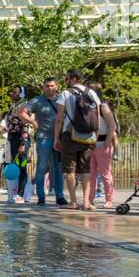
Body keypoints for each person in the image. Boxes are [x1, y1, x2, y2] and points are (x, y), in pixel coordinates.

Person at [54, 69, 102, 210]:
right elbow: (97, 117)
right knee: (86, 169)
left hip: (70, 135)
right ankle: (87, 202)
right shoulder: (92, 92)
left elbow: (59, 118)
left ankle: (73, 201)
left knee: (70, 170)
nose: (66, 81)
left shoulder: (65, 93)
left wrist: (57, 137)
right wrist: (95, 136)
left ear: (73, 79)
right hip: (88, 135)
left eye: (67, 78)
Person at [26, 78, 66, 206]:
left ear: (57, 86)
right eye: (47, 86)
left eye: (52, 85)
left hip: (59, 136)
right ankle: (41, 196)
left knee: (58, 167)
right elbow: (21, 112)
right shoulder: (37, 100)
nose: (49, 88)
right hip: (44, 137)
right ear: (43, 88)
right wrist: (32, 122)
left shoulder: (62, 98)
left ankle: (60, 196)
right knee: (42, 167)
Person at [84, 82, 118, 210]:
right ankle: (90, 198)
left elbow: (112, 126)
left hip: (103, 143)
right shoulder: (86, 107)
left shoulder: (103, 107)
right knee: (90, 174)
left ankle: (109, 199)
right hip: (89, 143)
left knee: (105, 173)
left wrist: (107, 143)